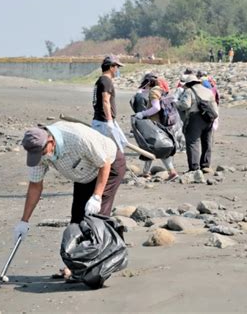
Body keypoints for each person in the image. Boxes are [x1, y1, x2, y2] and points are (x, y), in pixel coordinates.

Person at [13, 121, 126, 278]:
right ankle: (77, 267)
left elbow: (104, 163)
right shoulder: (39, 152)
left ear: (50, 141)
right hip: (83, 175)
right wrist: (24, 221)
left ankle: (100, 267)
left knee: (97, 222)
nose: (41, 157)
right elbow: (35, 187)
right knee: (77, 222)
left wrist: (97, 196)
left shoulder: (77, 138)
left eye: (42, 152)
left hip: (109, 167)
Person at [134, 73, 179, 181]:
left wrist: (143, 114)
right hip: (164, 123)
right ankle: (171, 172)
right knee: (160, 148)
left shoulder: (154, 91)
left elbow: (156, 108)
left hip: (155, 124)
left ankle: (146, 173)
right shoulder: (162, 89)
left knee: (150, 147)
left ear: (148, 83)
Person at [176, 74, 217, 173]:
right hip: (209, 118)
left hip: (195, 118)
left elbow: (185, 105)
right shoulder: (208, 91)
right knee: (207, 141)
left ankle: (194, 167)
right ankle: (205, 164)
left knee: (193, 142)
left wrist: (176, 103)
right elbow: (214, 106)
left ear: (189, 84)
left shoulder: (189, 91)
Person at [92, 55, 128, 153]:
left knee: (119, 146)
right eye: (117, 67)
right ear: (111, 67)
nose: (118, 70)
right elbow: (105, 101)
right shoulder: (106, 81)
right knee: (113, 152)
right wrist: (109, 121)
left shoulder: (101, 80)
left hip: (101, 120)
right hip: (104, 122)